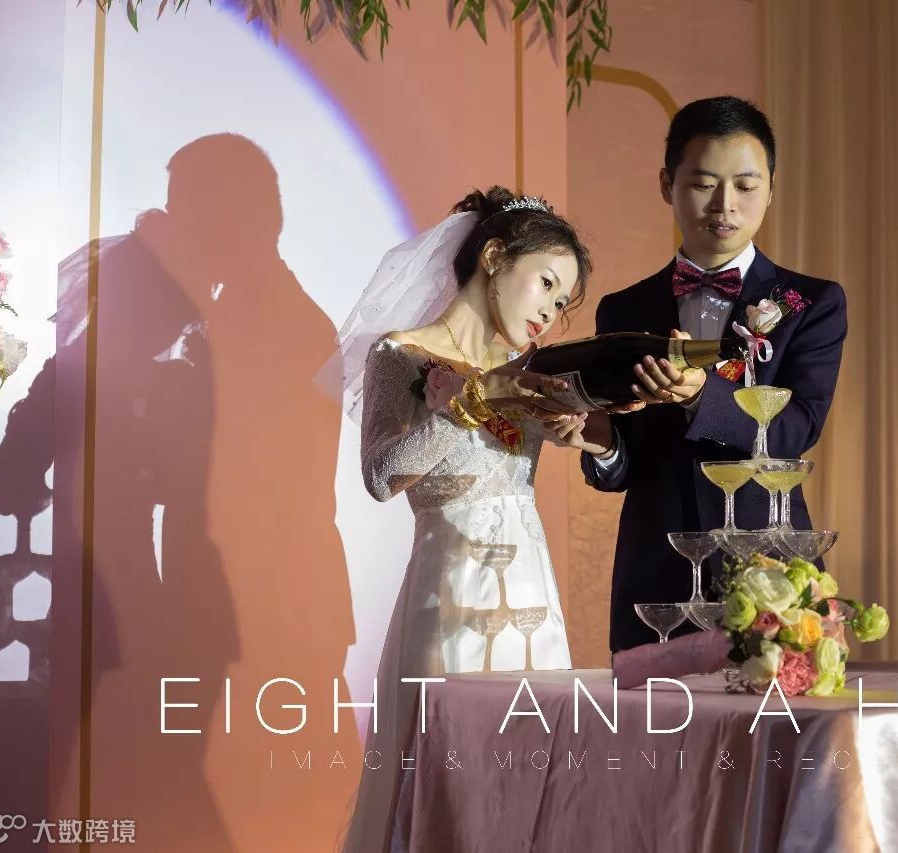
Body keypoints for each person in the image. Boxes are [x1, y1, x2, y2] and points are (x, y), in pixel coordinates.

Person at [330, 186, 591, 852]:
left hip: (532, 598)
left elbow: (577, 436)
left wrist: (581, 430)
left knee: (535, 783)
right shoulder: (400, 354)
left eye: (563, 302)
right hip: (449, 599)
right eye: (547, 284)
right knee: (448, 785)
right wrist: (473, 400)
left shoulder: (527, 372)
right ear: (495, 257)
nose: (551, 311)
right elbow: (382, 476)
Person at [559, 96, 848, 652]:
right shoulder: (624, 310)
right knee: (651, 712)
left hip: (770, 572)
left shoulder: (810, 303)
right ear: (667, 184)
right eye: (703, 184)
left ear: (771, 188)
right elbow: (625, 466)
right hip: (657, 572)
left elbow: (795, 430)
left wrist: (701, 396)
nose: (725, 205)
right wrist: (602, 445)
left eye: (745, 185)